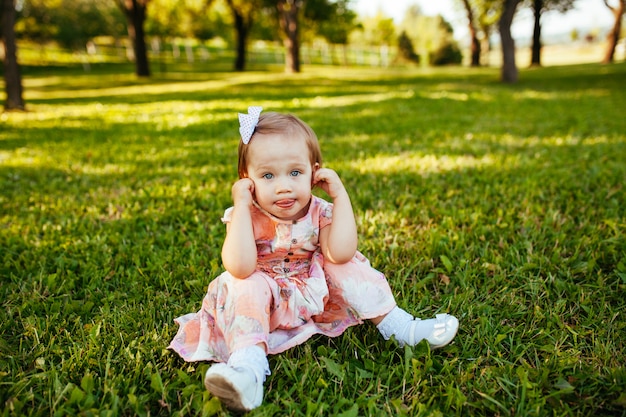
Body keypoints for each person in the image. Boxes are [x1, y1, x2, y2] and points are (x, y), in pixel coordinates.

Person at [168, 106, 459, 412]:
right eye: (268, 175)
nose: (284, 185)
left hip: (313, 292)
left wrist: (339, 196)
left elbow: (341, 252)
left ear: (314, 172)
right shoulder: (247, 214)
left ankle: (401, 327)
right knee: (243, 284)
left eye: (295, 173)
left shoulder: (319, 211)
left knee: (345, 265)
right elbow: (240, 267)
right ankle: (248, 370)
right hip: (263, 297)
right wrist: (240, 205)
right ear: (247, 179)